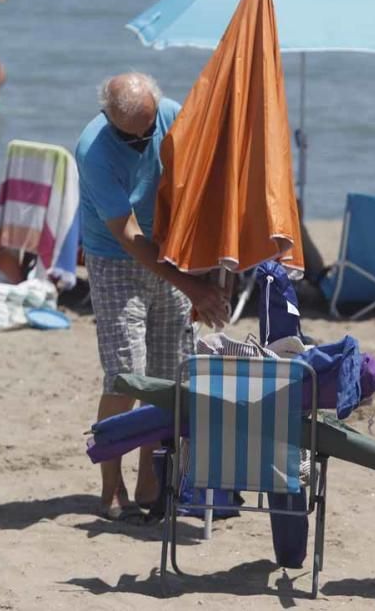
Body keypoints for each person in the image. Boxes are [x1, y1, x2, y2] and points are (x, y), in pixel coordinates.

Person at [75, 72, 228, 522]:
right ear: (108, 116)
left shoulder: (171, 115)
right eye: (132, 136)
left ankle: (150, 478)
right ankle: (110, 487)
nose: (143, 140)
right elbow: (128, 234)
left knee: (168, 376)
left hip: (169, 248)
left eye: (147, 130)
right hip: (116, 259)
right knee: (125, 374)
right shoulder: (95, 150)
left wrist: (208, 267)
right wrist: (191, 285)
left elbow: (202, 178)